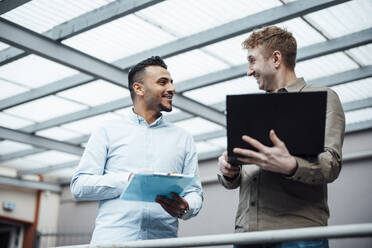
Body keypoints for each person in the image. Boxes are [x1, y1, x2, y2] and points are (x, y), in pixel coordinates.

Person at [218, 26, 345, 248]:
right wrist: (230, 172)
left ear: (276, 59)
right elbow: (241, 175)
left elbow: (331, 164)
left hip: (298, 236)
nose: (249, 71)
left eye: (252, 60)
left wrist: (292, 166)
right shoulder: (251, 110)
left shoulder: (323, 98)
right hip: (246, 235)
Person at [71, 56, 203, 244]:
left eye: (171, 82)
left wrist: (187, 206)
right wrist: (128, 181)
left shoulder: (184, 138)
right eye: (162, 82)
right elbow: (79, 186)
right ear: (138, 88)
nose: (172, 89)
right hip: (113, 243)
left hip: (163, 243)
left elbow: (195, 192)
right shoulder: (106, 131)